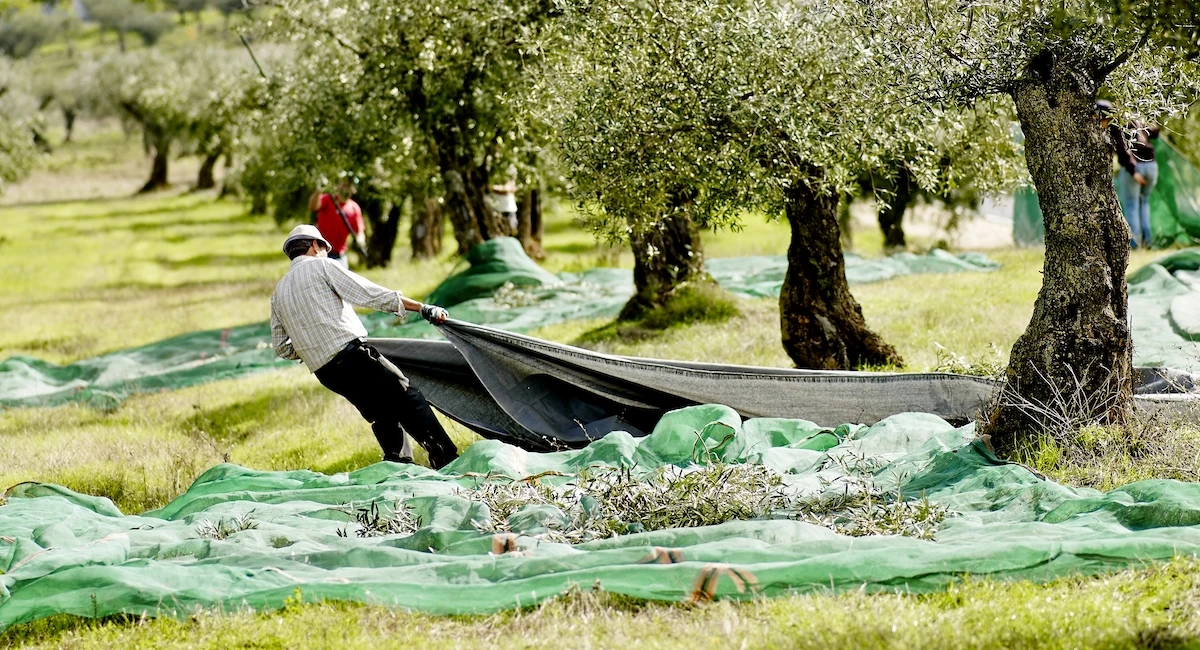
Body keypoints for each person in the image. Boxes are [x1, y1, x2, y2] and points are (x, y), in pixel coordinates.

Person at [270, 224, 459, 469]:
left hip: (326, 372)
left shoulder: (278, 292)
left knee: (382, 413)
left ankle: (399, 466)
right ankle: (447, 459)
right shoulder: (322, 266)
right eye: (324, 248)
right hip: (352, 356)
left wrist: (312, 347)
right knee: (407, 396)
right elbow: (366, 294)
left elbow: (281, 347)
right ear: (314, 246)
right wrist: (421, 308)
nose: (326, 252)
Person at [1099, 100, 1160, 249]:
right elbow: (1155, 132)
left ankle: (1134, 245)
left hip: (1136, 168)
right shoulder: (1134, 119)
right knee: (1143, 202)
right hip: (1152, 166)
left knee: (1132, 206)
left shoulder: (1115, 125)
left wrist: (1132, 170)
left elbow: (1122, 148)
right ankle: (1148, 242)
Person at [309, 178, 366, 267]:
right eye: (343, 185)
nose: (344, 188)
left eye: (348, 186)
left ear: (353, 189)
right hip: (321, 253)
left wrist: (360, 240)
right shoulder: (328, 199)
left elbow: (359, 231)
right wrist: (319, 190)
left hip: (339, 257)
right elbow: (313, 206)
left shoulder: (354, 208)